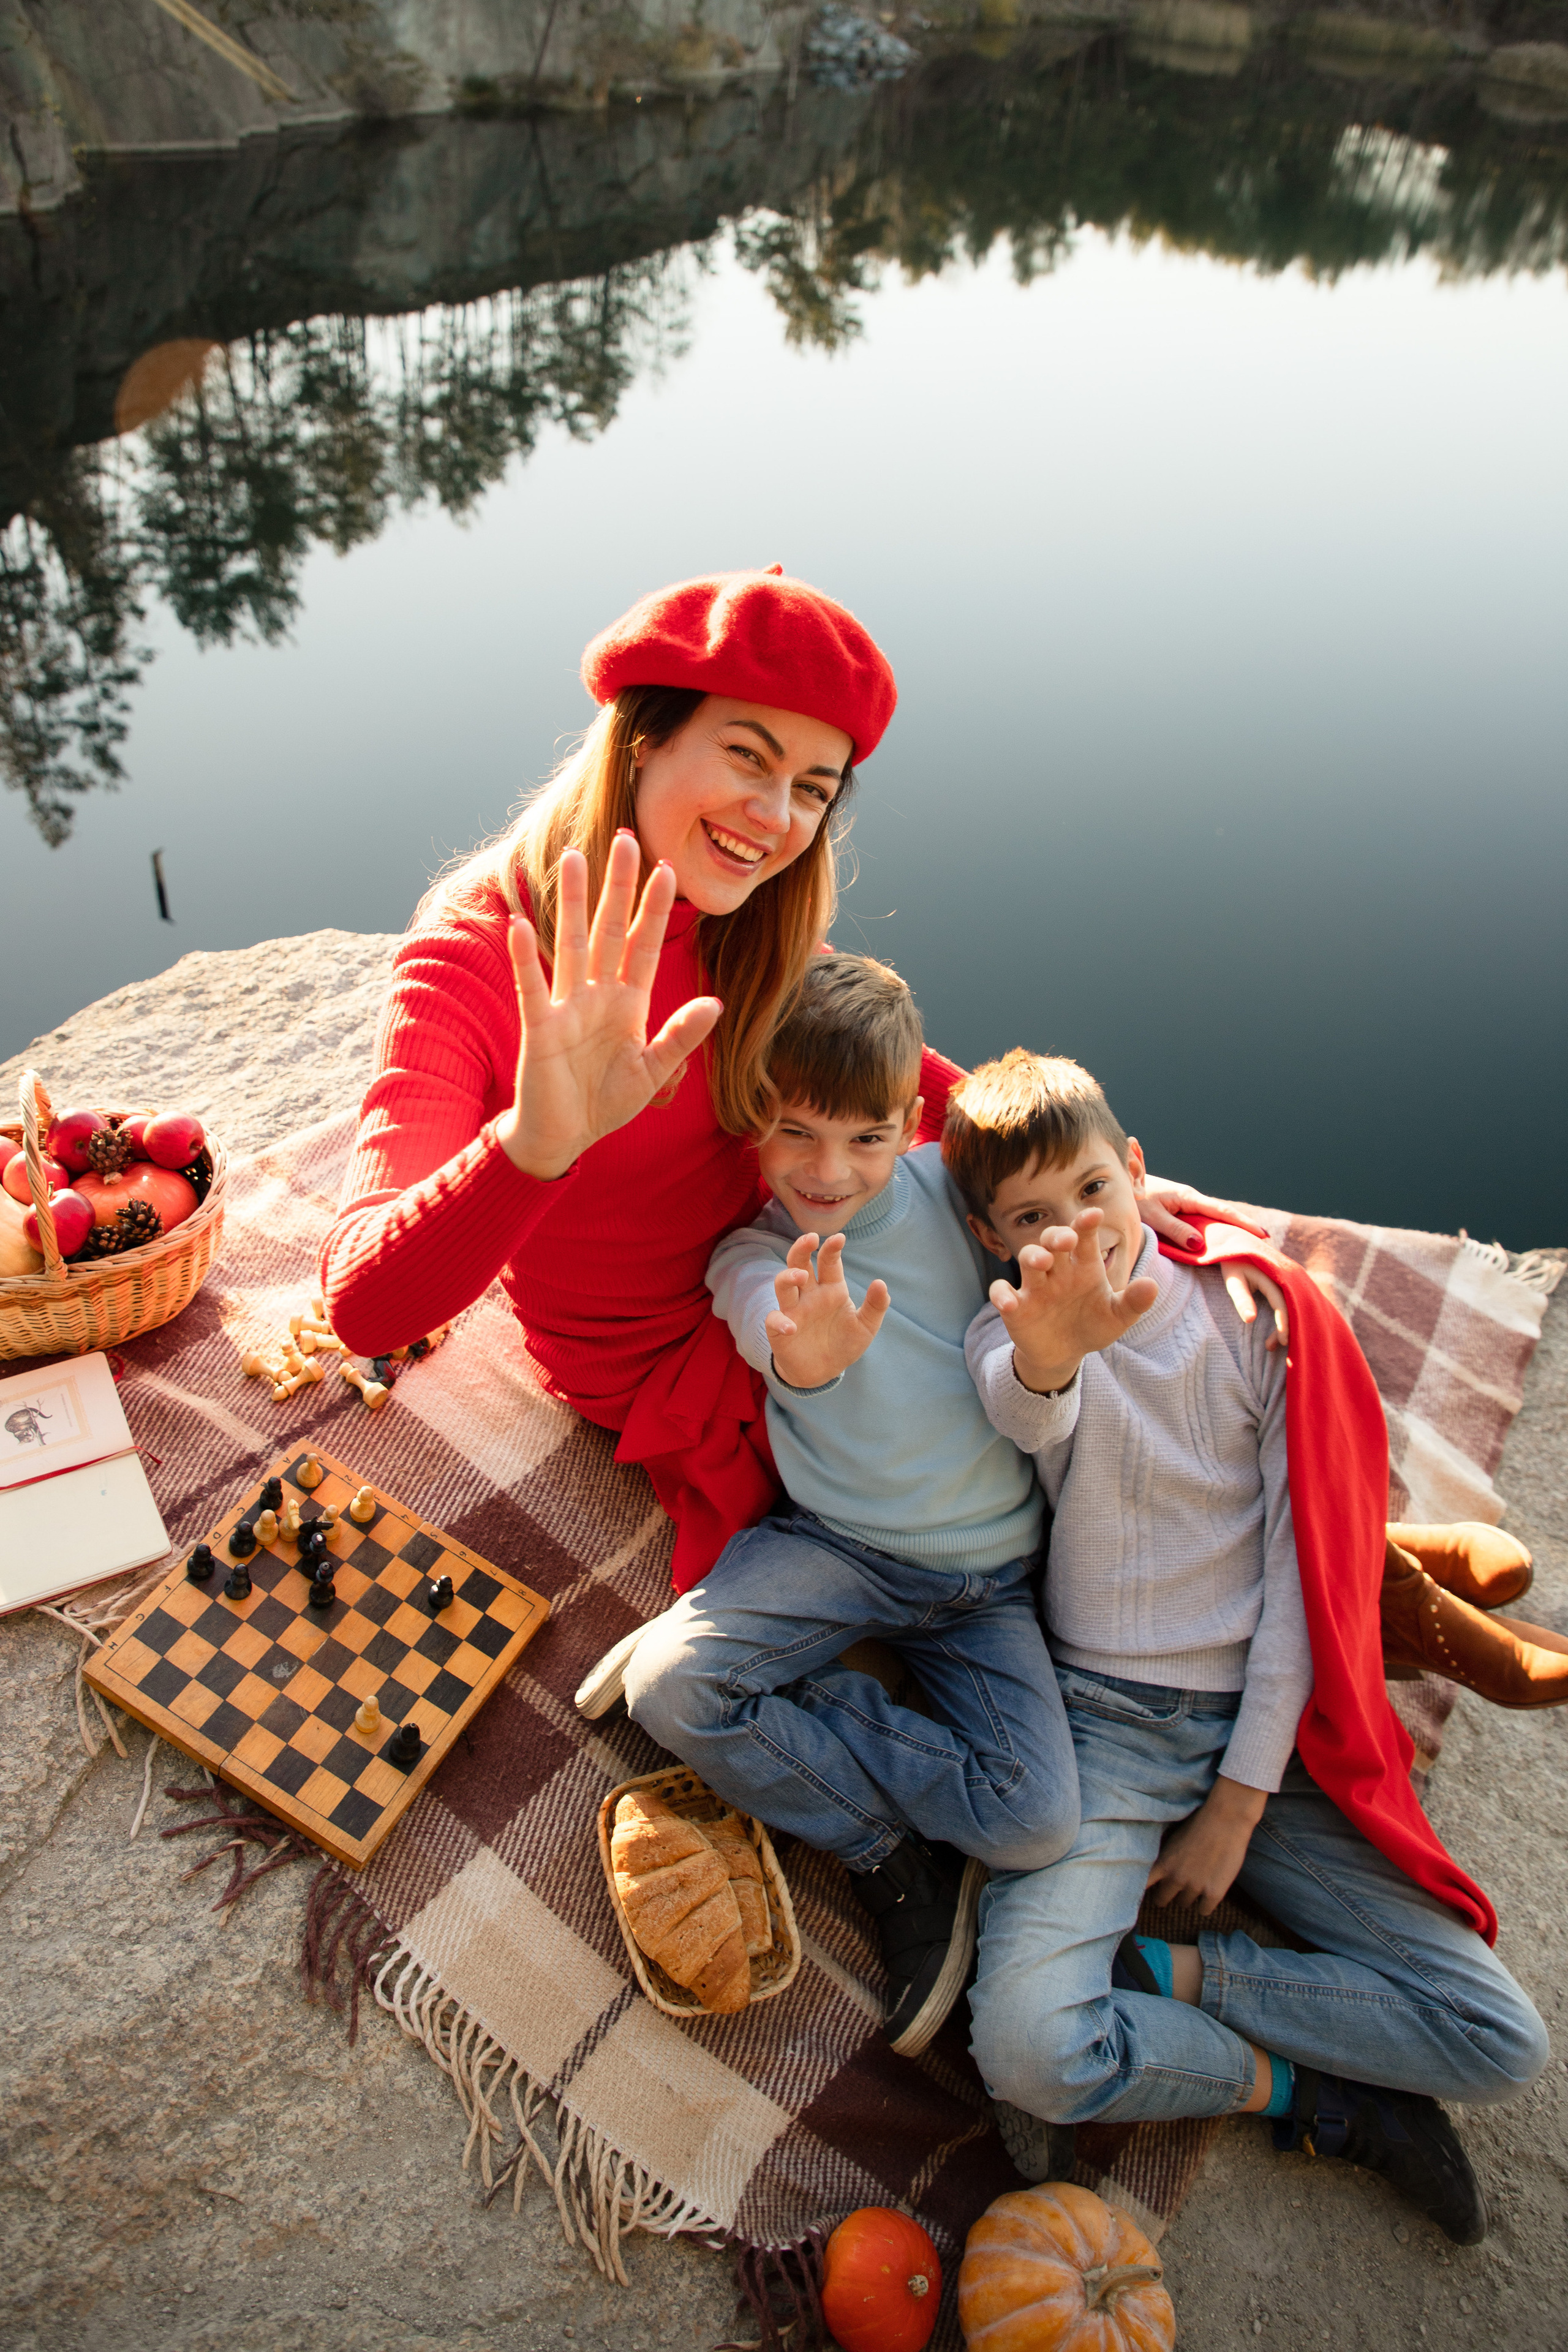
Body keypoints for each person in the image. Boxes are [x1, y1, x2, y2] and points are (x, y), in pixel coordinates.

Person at [318, 567, 1243, 1593]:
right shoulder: (478, 952)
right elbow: (365, 1307)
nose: (773, 817)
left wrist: (1083, 1174)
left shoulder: (749, 917)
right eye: (747, 757)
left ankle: (1332, 1558)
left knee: (1125, 1315)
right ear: (641, 737)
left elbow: (903, 1083)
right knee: (1039, 1403)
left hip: (801, 1265)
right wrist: (533, 1147)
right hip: (686, 1361)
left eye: (812, 789)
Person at [943, 1050, 1550, 2245]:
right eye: (1028, 1219)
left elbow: (1294, 1575)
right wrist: (1053, 1340)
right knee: (1024, 2050)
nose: (1070, 1232)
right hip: (1104, 1729)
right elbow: (1027, 1405)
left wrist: (1235, 1799)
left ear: (1134, 1172)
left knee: (1495, 2041)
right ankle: (1304, 2094)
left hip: (1265, 1743)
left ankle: (1167, 1980)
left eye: (1086, 1194)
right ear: (986, 1235)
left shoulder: (1243, 1314)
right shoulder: (1011, 1327)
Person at [620, 957, 1080, 2056]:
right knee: (666, 1691)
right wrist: (807, 1357)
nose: (829, 1171)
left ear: (910, 1123)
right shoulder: (757, 1252)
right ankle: (878, 1846)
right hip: (838, 1549)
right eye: (795, 1133)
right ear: (752, 1125)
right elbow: (763, 1324)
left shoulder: (953, 1200)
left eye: (866, 1137)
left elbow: (1066, 1214)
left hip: (989, 1578)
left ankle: (819, 1698)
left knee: (1035, 1822)